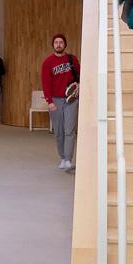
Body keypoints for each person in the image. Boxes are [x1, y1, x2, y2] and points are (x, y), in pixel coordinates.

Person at [40, 33, 80, 171]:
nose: (58, 44)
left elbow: (80, 75)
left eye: (61, 42)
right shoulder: (48, 62)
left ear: (65, 44)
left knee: (70, 130)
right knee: (59, 132)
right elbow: (46, 84)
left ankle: (68, 160)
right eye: (56, 42)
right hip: (55, 101)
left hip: (71, 100)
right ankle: (62, 157)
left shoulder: (72, 59)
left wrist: (79, 84)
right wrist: (49, 101)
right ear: (53, 45)